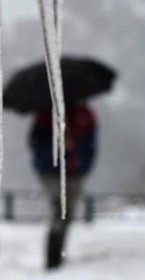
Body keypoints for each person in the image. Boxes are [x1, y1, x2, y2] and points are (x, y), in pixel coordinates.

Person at [29, 104, 97, 269]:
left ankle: (58, 252)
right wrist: (58, 146)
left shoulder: (85, 116)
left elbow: (90, 144)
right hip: (52, 172)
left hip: (75, 172)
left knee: (67, 213)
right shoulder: (45, 116)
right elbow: (36, 144)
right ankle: (53, 255)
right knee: (60, 209)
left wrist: (78, 152)